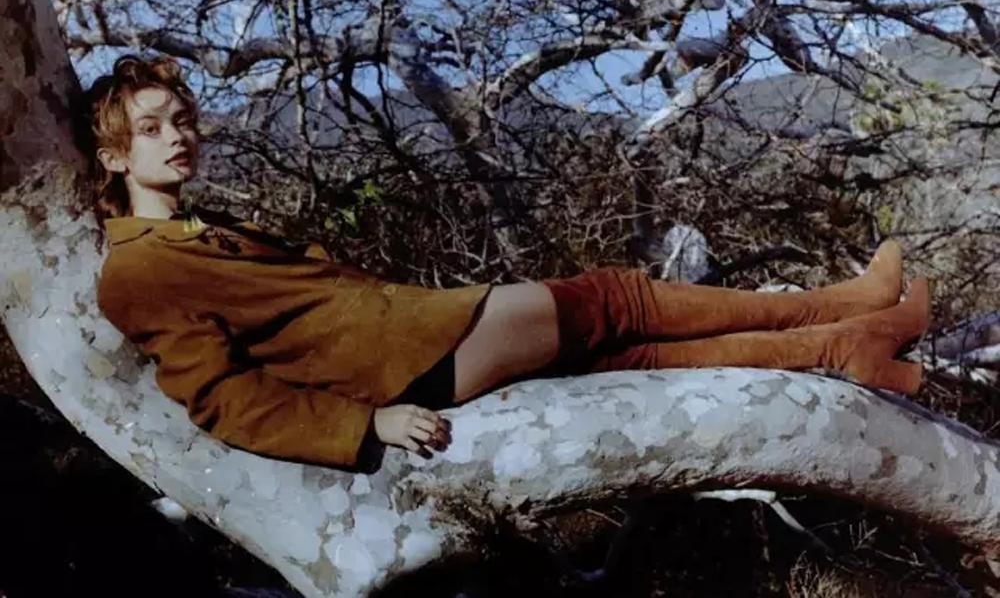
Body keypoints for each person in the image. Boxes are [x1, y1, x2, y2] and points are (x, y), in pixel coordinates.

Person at [88, 54, 931, 472]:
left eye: (182, 120)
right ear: (115, 158)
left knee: (631, 353)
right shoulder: (136, 272)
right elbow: (222, 399)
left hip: (413, 337)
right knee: (619, 299)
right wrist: (363, 428)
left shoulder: (197, 231)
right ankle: (840, 305)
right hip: (408, 362)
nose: (178, 137)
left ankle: (842, 347)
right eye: (152, 129)